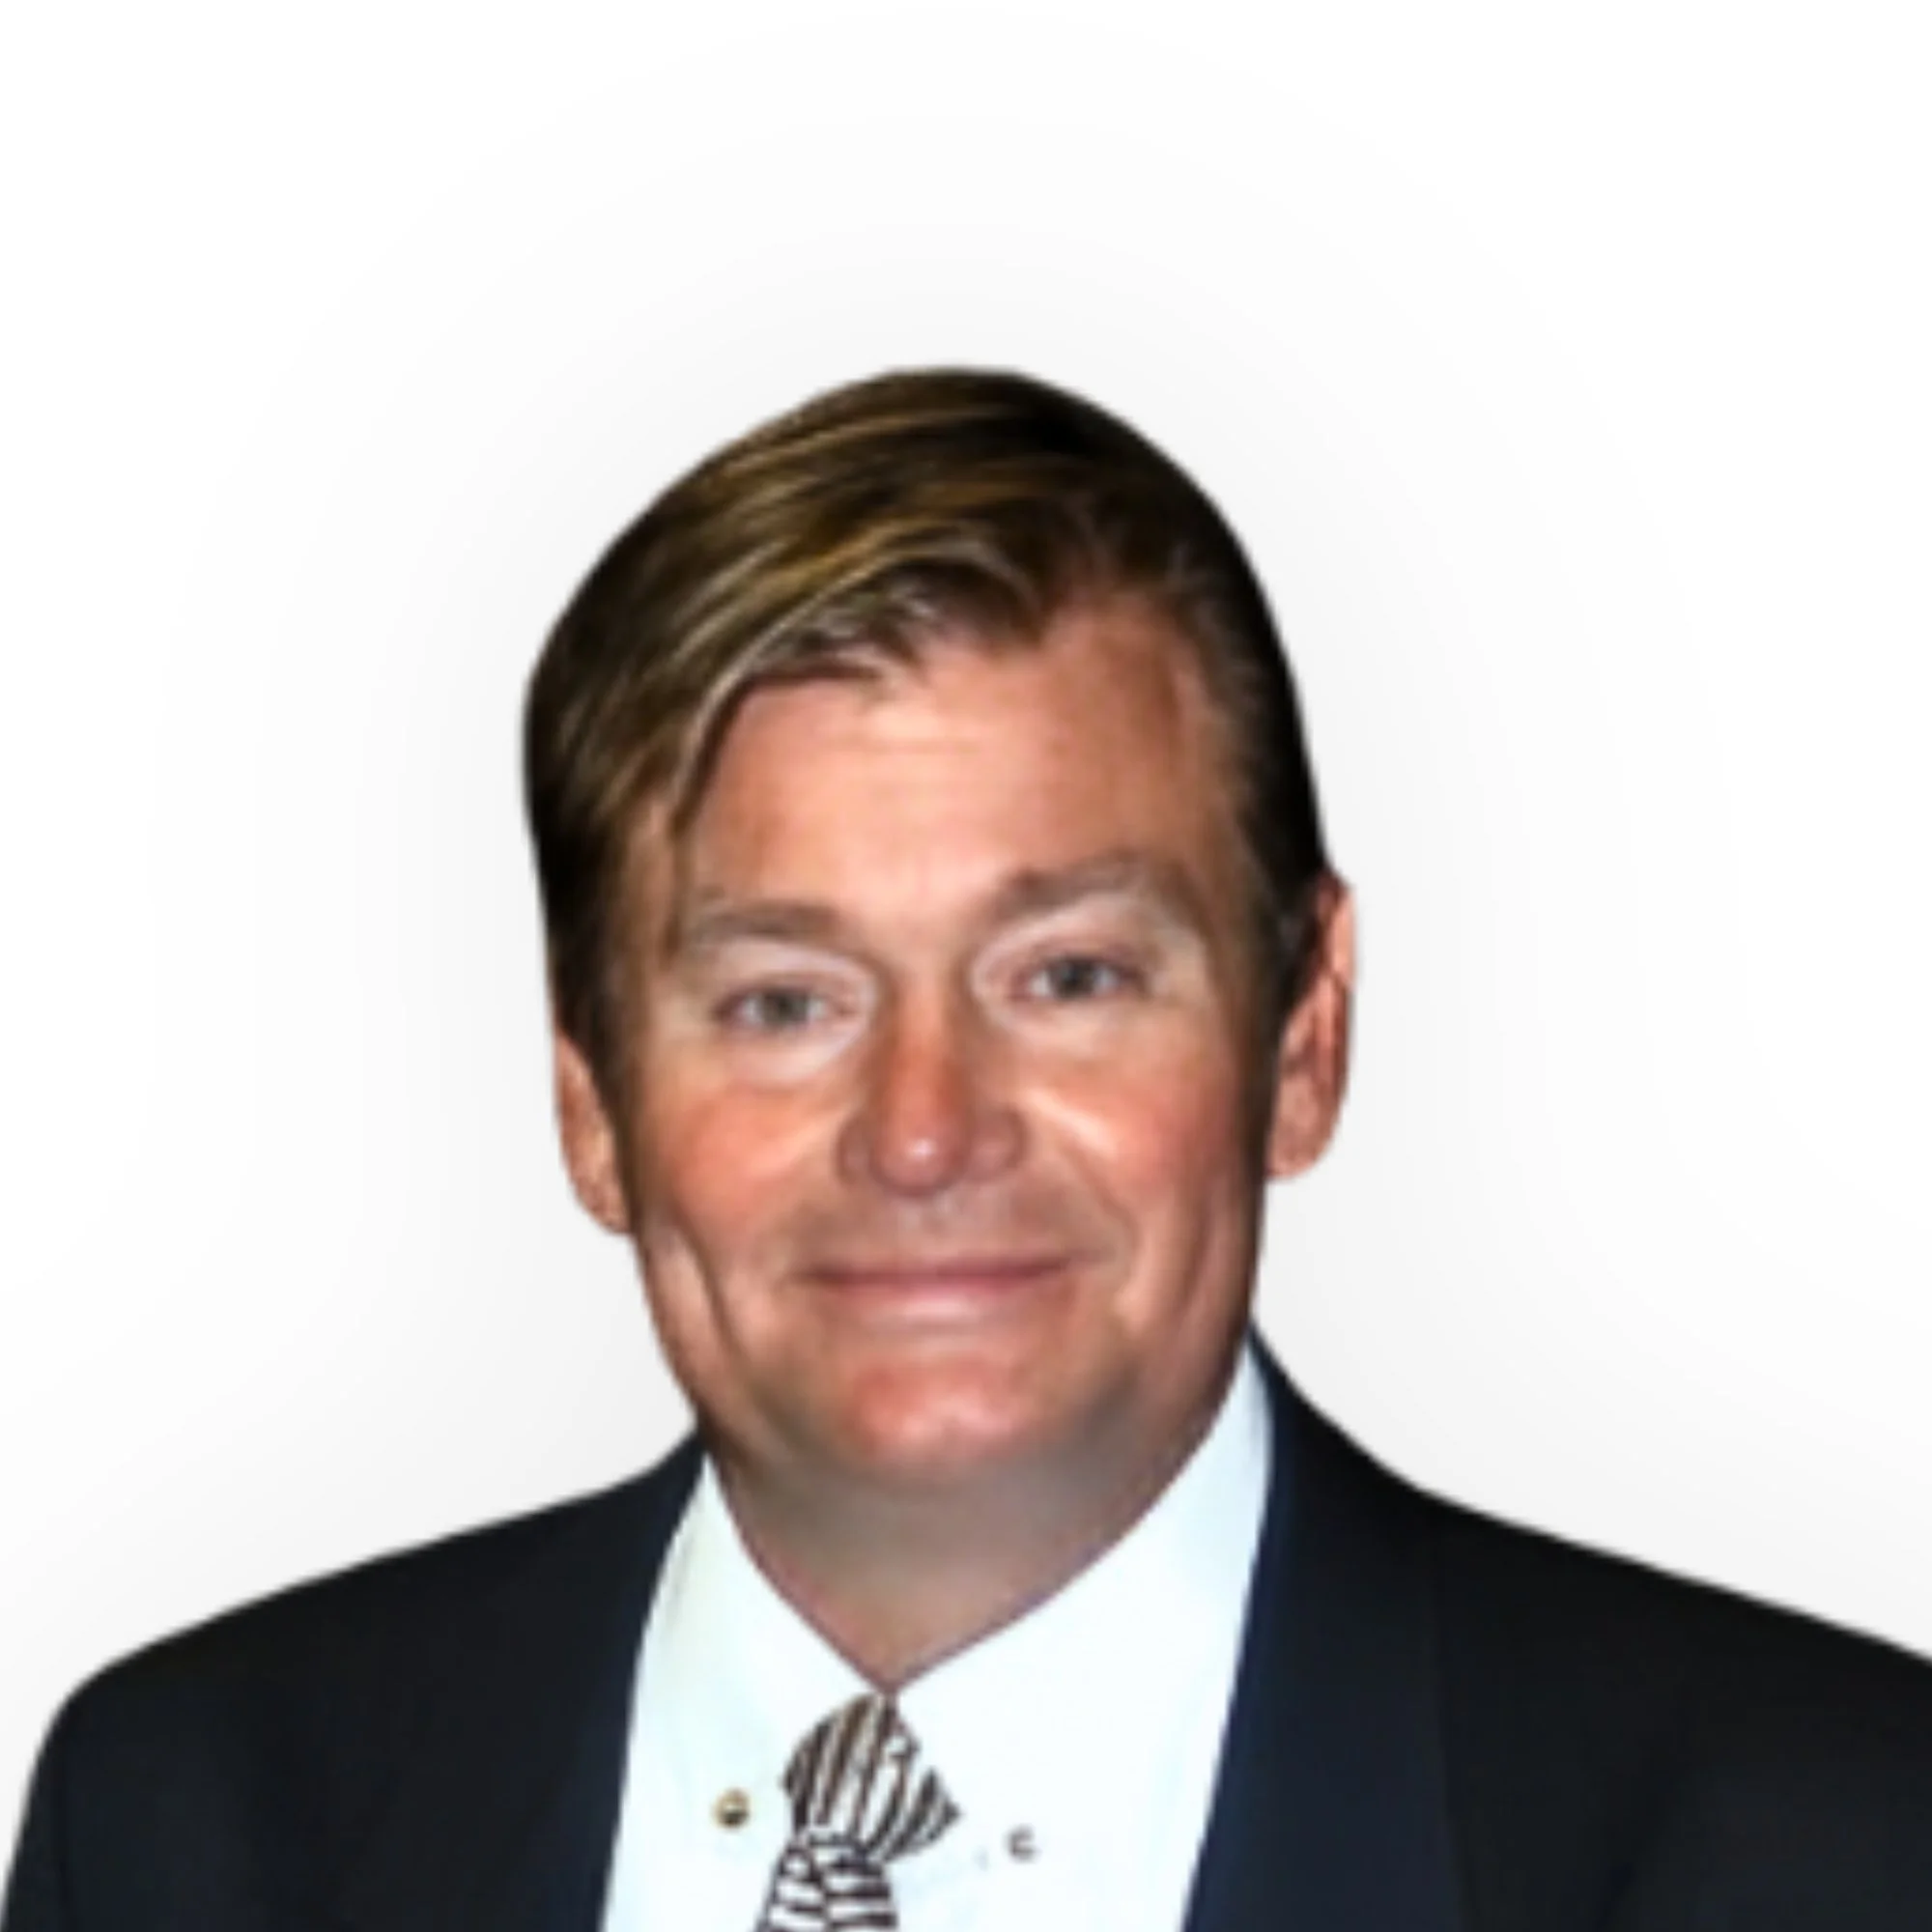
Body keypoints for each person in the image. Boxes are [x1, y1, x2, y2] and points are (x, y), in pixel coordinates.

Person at [7, 368, 1932, 1932]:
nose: (926, 1130)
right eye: (784, 1000)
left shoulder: (1836, 1842)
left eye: (1069, 974)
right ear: (589, 1100)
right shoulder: (190, 1825)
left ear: (1304, 1037)